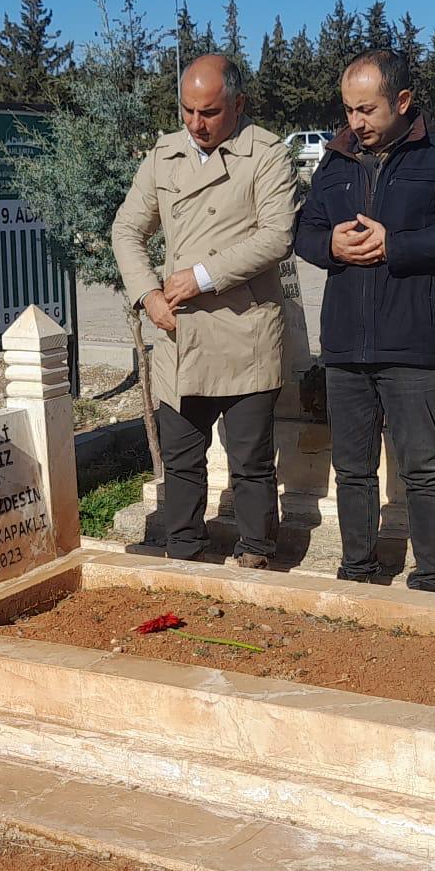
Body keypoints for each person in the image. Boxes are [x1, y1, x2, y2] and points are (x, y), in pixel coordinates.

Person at [294, 48, 435, 591]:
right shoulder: (335, 159)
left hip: (413, 342)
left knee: (422, 468)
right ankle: (357, 570)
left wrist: (396, 245)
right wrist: (329, 244)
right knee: (352, 470)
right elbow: (304, 231)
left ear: (402, 102)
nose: (355, 123)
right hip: (345, 347)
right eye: (348, 110)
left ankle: (433, 579)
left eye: (367, 110)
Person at [111, 55, 296, 568]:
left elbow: (276, 236)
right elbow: (127, 230)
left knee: (251, 462)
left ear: (238, 104)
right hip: (179, 337)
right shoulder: (164, 155)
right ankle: (184, 554)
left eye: (210, 112)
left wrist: (200, 276)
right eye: (187, 111)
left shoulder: (266, 154)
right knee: (183, 461)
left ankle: (257, 553)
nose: (196, 123)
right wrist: (148, 294)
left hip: (244, 333)